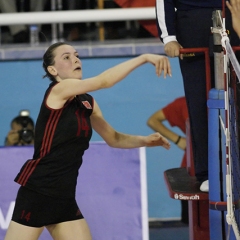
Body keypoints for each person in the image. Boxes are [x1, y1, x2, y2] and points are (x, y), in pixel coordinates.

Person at [4, 42, 171, 240]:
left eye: (76, 55)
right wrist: (143, 58)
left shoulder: (87, 103)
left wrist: (145, 140)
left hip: (64, 196)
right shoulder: (58, 90)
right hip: (39, 191)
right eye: (66, 57)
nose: (75, 59)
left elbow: (114, 138)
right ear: (52, 69)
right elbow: (104, 81)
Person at [156, 0, 240, 192]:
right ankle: (207, 174)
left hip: (234, 16)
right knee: (199, 104)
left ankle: (236, 171)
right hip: (192, 27)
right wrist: (168, 37)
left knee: (236, 101)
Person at [147, 96, 189, 224]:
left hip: (224, 169)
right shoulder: (183, 103)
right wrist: (178, 140)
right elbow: (153, 121)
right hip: (191, 171)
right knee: (194, 222)